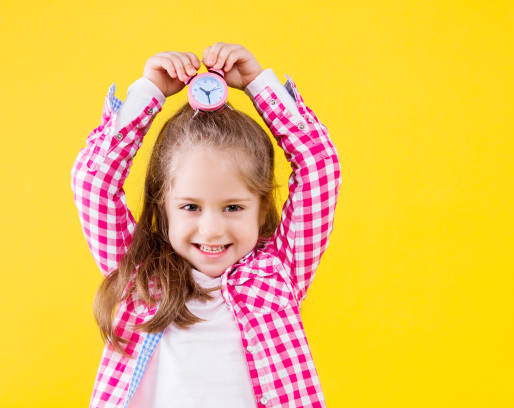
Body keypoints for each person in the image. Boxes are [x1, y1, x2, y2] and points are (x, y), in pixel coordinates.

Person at [70, 42, 341, 407]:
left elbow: (319, 165)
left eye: (232, 207)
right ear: (163, 208)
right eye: (190, 207)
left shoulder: (279, 273)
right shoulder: (141, 276)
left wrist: (258, 84)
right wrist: (148, 92)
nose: (212, 229)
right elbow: (93, 183)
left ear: (261, 209)